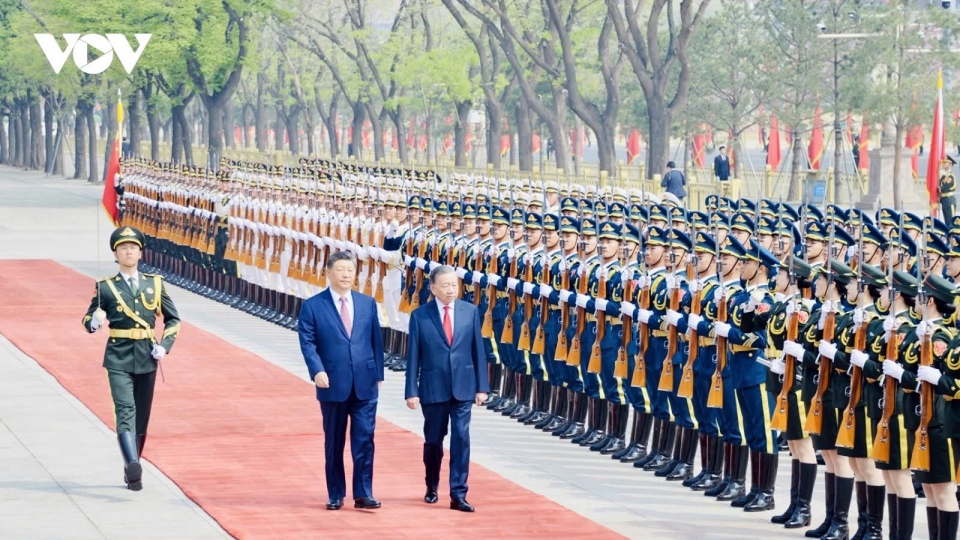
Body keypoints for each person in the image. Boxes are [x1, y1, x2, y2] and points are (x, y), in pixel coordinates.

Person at [82, 226, 180, 491]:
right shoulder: (106, 287)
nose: (128, 252)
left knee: (142, 416)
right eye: (123, 248)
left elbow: (173, 319)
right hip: (118, 356)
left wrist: (165, 346)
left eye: (133, 248)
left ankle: (131, 468)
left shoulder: (155, 284)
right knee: (125, 409)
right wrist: (95, 322)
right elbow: (87, 320)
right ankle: (133, 463)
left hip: (147, 356)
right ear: (116, 254)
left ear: (140, 253)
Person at [298, 250, 384, 511]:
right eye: (341, 270)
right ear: (328, 272)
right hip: (332, 383)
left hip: (365, 383)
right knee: (334, 442)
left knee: (365, 440)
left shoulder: (367, 303)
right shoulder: (313, 305)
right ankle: (336, 493)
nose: (346, 275)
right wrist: (317, 370)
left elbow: (376, 340)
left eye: (350, 270)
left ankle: (364, 493)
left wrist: (378, 373)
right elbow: (308, 342)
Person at [405, 264, 490, 512]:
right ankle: (431, 485)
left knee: (461, 438)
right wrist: (411, 391)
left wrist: (482, 387)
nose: (451, 289)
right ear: (433, 288)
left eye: (454, 285)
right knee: (434, 441)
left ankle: (458, 493)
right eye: (445, 285)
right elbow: (413, 357)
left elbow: (478, 350)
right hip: (433, 387)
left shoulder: (469, 311)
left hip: (463, 385)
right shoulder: (420, 316)